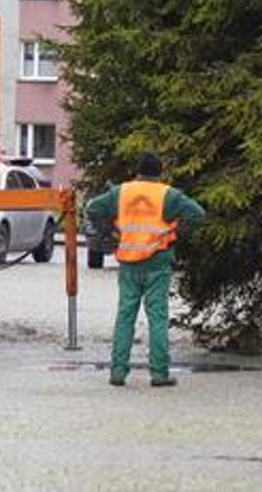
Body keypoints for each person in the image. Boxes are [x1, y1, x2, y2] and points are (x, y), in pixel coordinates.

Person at [83, 152, 205, 387]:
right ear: (159, 173)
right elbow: (197, 214)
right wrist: (174, 233)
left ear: (137, 172)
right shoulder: (168, 195)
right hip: (157, 262)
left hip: (128, 262)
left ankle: (118, 373)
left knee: (125, 317)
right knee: (157, 318)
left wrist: (111, 231)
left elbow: (92, 209)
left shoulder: (121, 192)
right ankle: (159, 374)